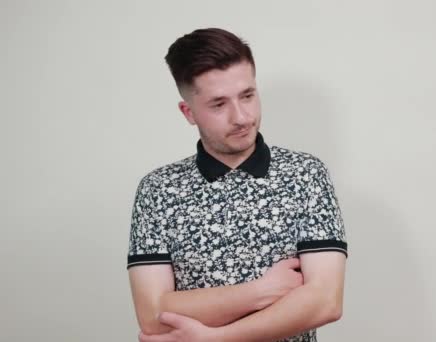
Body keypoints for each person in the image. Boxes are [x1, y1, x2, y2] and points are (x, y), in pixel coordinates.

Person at [127, 28, 348, 342]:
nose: (242, 117)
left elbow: (324, 302)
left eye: (248, 95)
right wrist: (260, 292)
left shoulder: (305, 175)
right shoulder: (158, 190)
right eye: (219, 104)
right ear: (188, 112)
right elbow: (153, 315)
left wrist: (214, 338)